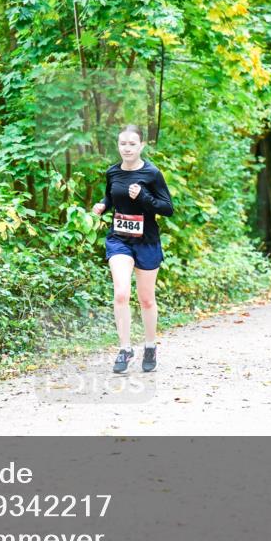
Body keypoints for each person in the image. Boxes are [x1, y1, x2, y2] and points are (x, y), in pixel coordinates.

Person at [92, 124, 174, 373]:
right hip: (120, 240)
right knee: (121, 293)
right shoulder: (112, 172)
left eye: (132, 144)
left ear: (141, 146)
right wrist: (103, 205)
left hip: (146, 241)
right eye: (123, 144)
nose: (127, 148)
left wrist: (144, 197)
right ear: (118, 145)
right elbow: (111, 196)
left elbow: (167, 208)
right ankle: (125, 349)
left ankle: (150, 346)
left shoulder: (152, 173)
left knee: (146, 300)